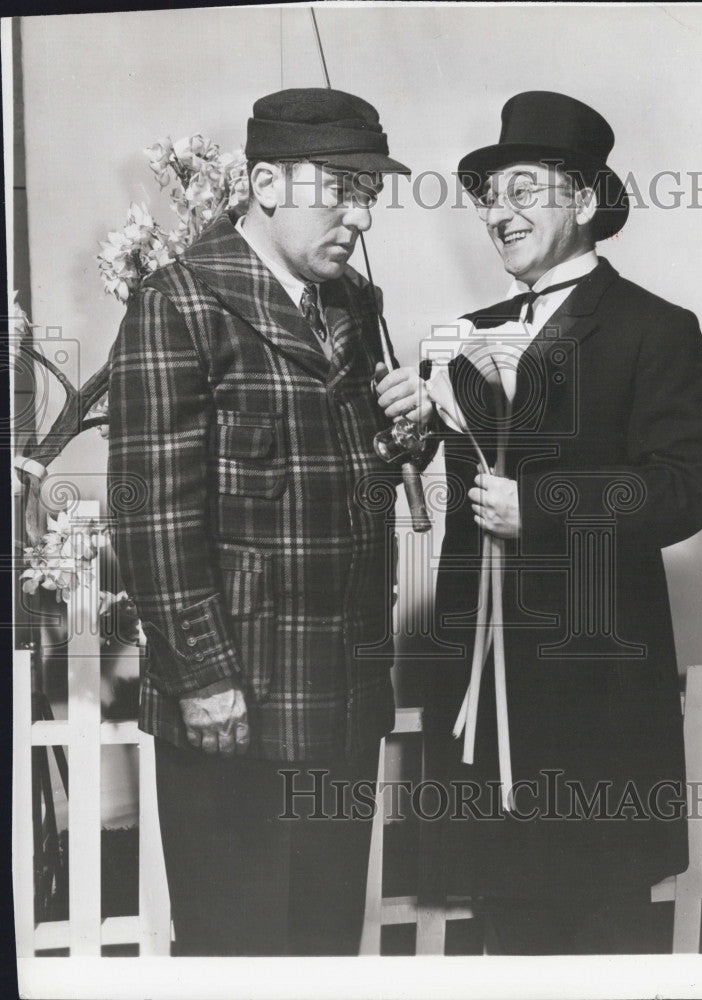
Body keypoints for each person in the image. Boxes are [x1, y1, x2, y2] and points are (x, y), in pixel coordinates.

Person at [106, 88, 429, 956]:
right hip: (234, 704)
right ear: (266, 182)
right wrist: (203, 677)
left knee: (326, 948)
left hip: (345, 702)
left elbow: (353, 483)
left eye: (370, 195)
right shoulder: (178, 305)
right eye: (341, 190)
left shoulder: (354, 307)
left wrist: (409, 437)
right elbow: (151, 519)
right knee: (234, 950)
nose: (360, 216)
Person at [409, 91, 702, 954]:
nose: (498, 214)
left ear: (584, 201)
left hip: (596, 715)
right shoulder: (461, 338)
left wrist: (542, 506)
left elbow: (687, 486)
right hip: (482, 711)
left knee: (603, 938)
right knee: (506, 941)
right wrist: (401, 427)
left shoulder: (654, 328)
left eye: (523, 190)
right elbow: (430, 487)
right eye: (488, 197)